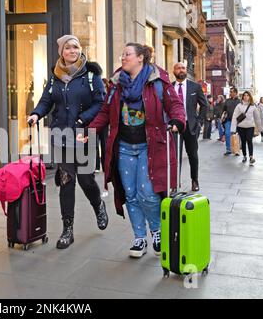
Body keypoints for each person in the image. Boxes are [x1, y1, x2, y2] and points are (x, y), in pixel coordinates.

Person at [81, 43, 186, 258]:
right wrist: (90, 130)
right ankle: (139, 237)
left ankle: (156, 232)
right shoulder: (117, 83)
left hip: (151, 146)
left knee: (147, 192)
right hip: (124, 147)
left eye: (127, 54)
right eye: (122, 54)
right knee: (130, 194)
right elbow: (105, 111)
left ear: (140, 58)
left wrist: (177, 120)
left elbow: (175, 104)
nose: (123, 57)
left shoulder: (158, 79)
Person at [27, 35, 108, 250]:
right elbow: (46, 101)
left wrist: (82, 119)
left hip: (83, 136)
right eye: (68, 48)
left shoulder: (91, 75)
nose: (72, 51)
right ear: (61, 51)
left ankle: (98, 205)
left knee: (85, 179)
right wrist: (36, 114)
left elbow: (101, 103)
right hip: (61, 137)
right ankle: (67, 229)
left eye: (76, 47)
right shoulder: (55, 76)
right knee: (66, 181)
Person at [172, 62, 208, 192]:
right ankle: (175, 184)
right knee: (175, 156)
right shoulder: (169, 88)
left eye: (183, 68)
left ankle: (195, 180)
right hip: (175, 127)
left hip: (190, 126)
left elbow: (204, 105)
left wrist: (199, 122)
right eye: (178, 68)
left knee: (192, 154)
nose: (181, 70)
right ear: (173, 71)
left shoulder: (195, 87)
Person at [231, 91, 263, 165]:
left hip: (250, 127)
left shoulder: (253, 106)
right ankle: (244, 156)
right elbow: (234, 117)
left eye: (247, 95)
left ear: (250, 97)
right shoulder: (239, 106)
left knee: (249, 140)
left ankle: (251, 157)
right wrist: (233, 128)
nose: (246, 97)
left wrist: (260, 128)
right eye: (244, 95)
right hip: (241, 127)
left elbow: (257, 118)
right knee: (243, 141)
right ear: (242, 97)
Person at [222, 87, 241, 156]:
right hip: (228, 120)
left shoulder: (239, 101)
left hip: (237, 121)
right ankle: (228, 149)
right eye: (230, 92)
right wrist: (223, 117)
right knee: (227, 134)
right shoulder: (227, 101)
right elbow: (224, 110)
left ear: (236, 93)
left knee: (236, 135)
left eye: (233, 92)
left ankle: (236, 150)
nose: (231, 93)